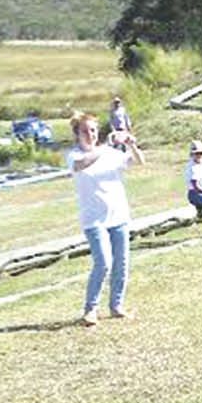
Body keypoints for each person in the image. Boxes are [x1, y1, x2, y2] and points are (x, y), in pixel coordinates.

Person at [66, 110, 144, 326]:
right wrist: (107, 146)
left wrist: (131, 144)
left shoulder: (109, 153)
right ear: (77, 134)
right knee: (103, 263)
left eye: (93, 130)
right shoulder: (75, 156)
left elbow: (139, 162)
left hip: (118, 216)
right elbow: (83, 165)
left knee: (122, 264)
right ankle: (90, 310)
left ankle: (116, 306)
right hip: (94, 220)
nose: (90, 134)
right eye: (85, 131)